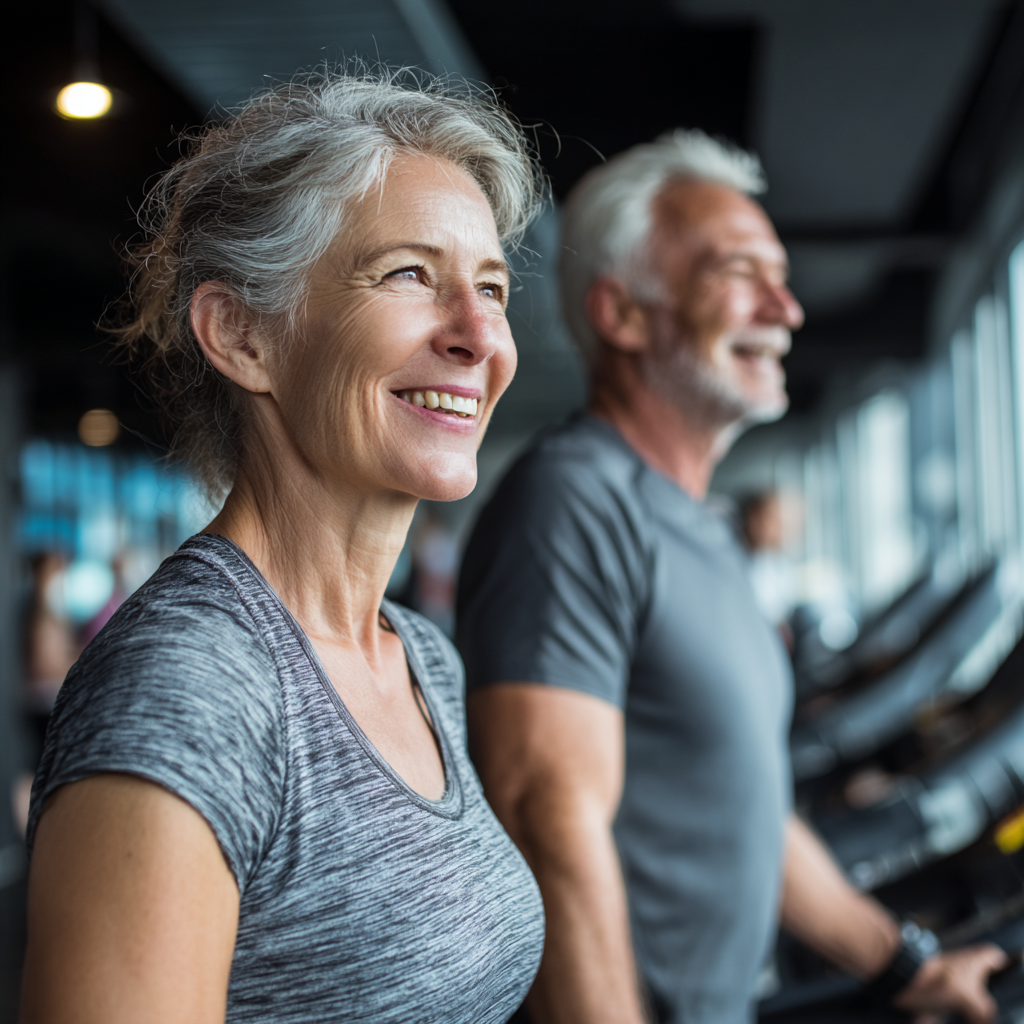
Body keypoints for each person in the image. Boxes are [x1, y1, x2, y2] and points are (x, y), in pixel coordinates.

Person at [23, 70, 545, 1024]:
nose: (480, 335)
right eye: (408, 274)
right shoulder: (192, 683)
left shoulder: (423, 660)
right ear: (243, 335)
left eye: (492, 288)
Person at [456, 130, 1007, 1024]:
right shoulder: (573, 503)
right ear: (623, 313)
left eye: (781, 277)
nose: (786, 308)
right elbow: (545, 823)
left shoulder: (699, 528)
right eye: (739, 272)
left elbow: (749, 808)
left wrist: (905, 966)